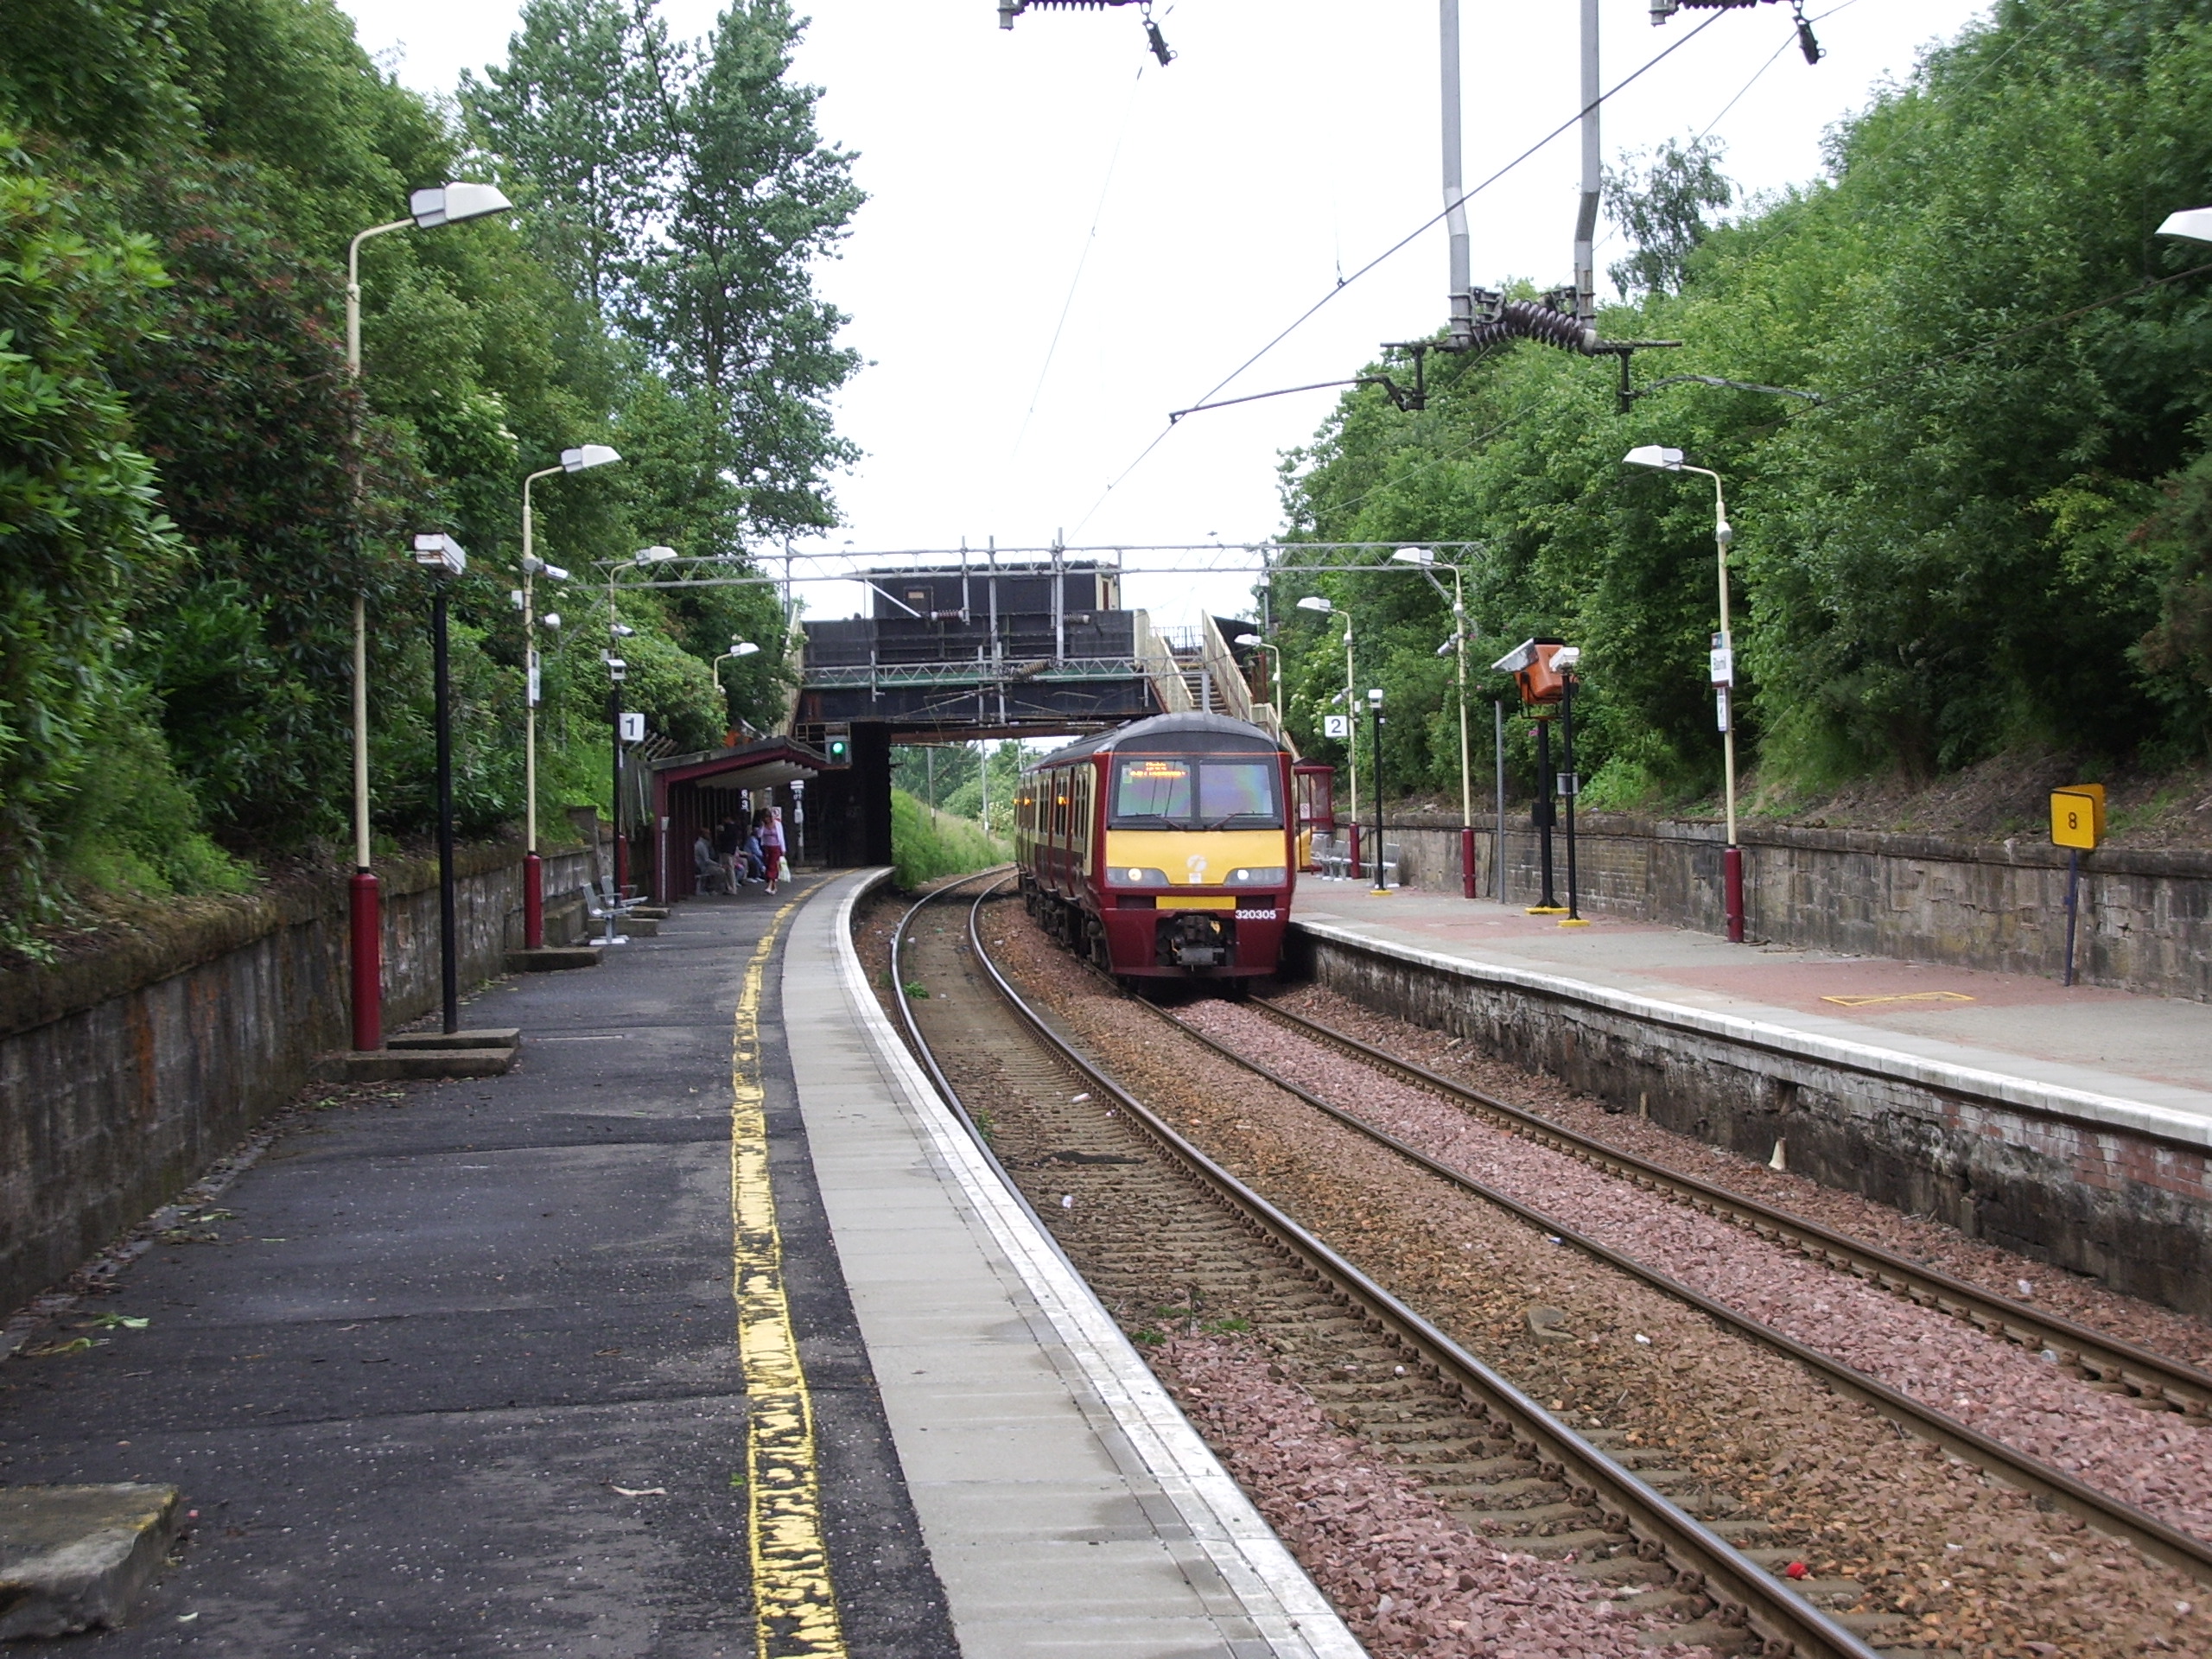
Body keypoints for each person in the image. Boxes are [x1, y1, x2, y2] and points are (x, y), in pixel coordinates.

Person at [757, 804, 785, 894]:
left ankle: (769, 886)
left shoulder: (777, 824)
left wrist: (783, 848)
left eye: (768, 817)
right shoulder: (763, 826)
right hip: (766, 847)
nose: (766, 819)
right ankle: (774, 887)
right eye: (764, 818)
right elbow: (759, 835)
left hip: (776, 847)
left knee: (773, 866)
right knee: (768, 866)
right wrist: (762, 826)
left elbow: (781, 837)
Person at [692, 829, 725, 895]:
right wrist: (719, 865)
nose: (709, 835)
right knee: (721, 871)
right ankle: (711, 888)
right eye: (707, 834)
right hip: (702, 867)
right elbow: (706, 860)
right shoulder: (701, 845)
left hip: (703, 865)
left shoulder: (705, 844)